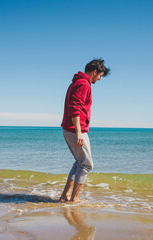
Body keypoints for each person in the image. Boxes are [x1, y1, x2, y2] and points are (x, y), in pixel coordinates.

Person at [59, 59, 110, 202]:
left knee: (79, 162)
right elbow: (75, 108)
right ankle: (74, 198)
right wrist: (79, 132)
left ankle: (65, 196)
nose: (99, 79)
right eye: (100, 75)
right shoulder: (83, 84)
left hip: (71, 129)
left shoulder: (76, 82)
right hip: (74, 130)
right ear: (94, 72)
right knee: (87, 164)